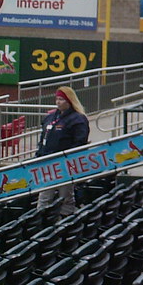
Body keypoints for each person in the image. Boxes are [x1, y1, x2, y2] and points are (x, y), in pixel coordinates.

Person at [36, 86, 90, 217]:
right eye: (57, 99)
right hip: (47, 161)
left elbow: (80, 142)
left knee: (66, 193)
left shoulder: (78, 119)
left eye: (61, 99)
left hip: (66, 163)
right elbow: (43, 137)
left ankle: (67, 218)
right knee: (45, 195)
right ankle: (41, 218)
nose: (58, 102)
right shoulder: (51, 117)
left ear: (69, 101)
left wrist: (68, 157)